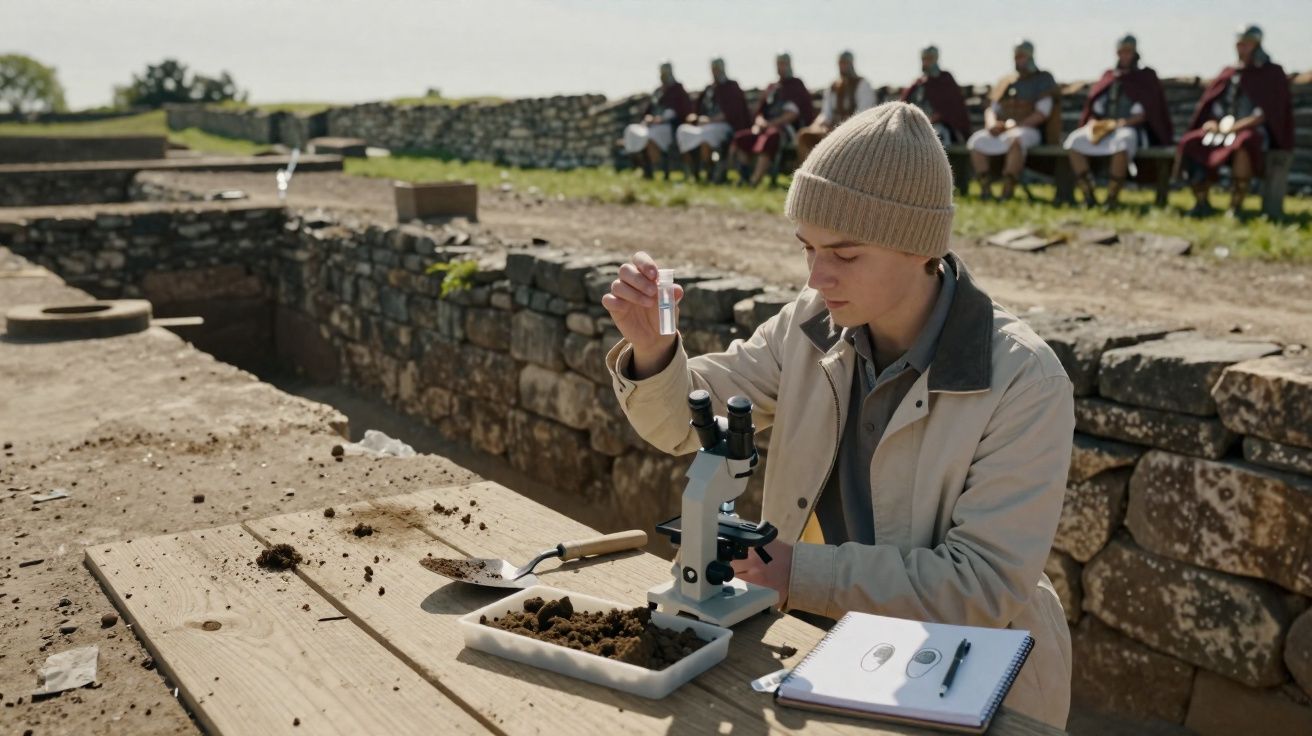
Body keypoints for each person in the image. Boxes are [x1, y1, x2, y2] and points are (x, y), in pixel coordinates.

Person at [602, 102, 1074, 729]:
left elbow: (982, 585)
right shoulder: (812, 321)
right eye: (808, 249)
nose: (818, 276)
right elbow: (685, 425)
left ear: (920, 247)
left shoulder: (1025, 380)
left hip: (970, 686)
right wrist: (656, 350)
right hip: (813, 653)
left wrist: (799, 572)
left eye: (845, 255)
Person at [1175, 24, 1294, 217]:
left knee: (1244, 143)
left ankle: (1235, 206)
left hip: (1253, 130)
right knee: (1190, 142)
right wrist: (1211, 123)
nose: (1242, 48)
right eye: (1239, 44)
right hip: (1221, 131)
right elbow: (1213, 106)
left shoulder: (1271, 73)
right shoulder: (1230, 73)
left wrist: (1235, 128)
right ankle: (1202, 202)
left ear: (1257, 45)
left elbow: (1265, 113)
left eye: (1246, 44)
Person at [1064, 34, 1173, 209]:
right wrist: (1094, 123)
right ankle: (1088, 195)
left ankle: (1112, 198)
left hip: (1130, 128)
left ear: (1135, 53)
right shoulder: (1109, 76)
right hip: (1103, 127)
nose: (1124, 55)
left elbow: (1148, 112)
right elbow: (1094, 108)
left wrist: (1123, 123)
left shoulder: (1145, 77)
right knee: (1073, 142)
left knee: (1122, 143)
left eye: (1128, 51)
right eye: (1121, 51)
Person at [967, 40, 1060, 201]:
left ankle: (1007, 191)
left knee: (1016, 140)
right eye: (1016, 56)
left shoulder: (1043, 79)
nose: (1018, 60)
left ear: (1030, 57)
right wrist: (992, 125)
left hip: (1029, 130)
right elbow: (992, 109)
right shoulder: (1006, 81)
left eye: (1022, 56)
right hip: (1003, 129)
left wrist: (1018, 125)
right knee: (976, 141)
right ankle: (986, 189)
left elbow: (1042, 113)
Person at [731, 53, 815, 187]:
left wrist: (770, 124)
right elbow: (760, 111)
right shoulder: (772, 87)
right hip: (764, 127)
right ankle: (744, 176)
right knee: (742, 137)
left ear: (789, 64)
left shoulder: (796, 85)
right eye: (778, 64)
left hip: (785, 129)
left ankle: (755, 181)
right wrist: (760, 123)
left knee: (771, 137)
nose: (780, 67)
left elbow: (791, 115)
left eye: (783, 64)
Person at [676, 58, 751, 182]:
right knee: (682, 131)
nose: (715, 71)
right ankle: (694, 172)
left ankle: (710, 172)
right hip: (704, 126)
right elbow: (699, 109)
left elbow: (732, 112)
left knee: (706, 135)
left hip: (723, 126)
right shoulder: (709, 88)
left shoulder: (731, 86)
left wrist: (711, 120)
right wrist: (695, 117)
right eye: (713, 69)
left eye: (717, 68)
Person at [795, 51, 875, 162]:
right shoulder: (833, 86)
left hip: (854, 132)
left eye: (845, 63)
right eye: (840, 63)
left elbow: (864, 114)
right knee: (804, 136)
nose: (842, 66)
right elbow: (826, 114)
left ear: (851, 63)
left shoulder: (862, 85)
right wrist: (819, 125)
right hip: (831, 129)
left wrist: (842, 127)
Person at [622, 62, 693, 179]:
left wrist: (661, 119)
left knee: (651, 137)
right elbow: (649, 110)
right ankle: (645, 169)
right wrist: (649, 118)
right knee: (631, 131)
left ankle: (659, 168)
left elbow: (681, 111)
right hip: (651, 125)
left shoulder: (677, 90)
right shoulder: (658, 91)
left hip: (667, 127)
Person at [899, 45, 972, 147]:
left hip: (944, 128)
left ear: (936, 59)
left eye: (929, 58)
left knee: (936, 137)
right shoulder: (918, 84)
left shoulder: (946, 80)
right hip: (917, 126)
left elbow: (954, 110)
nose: (926, 62)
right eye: (924, 58)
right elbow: (904, 105)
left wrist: (935, 118)